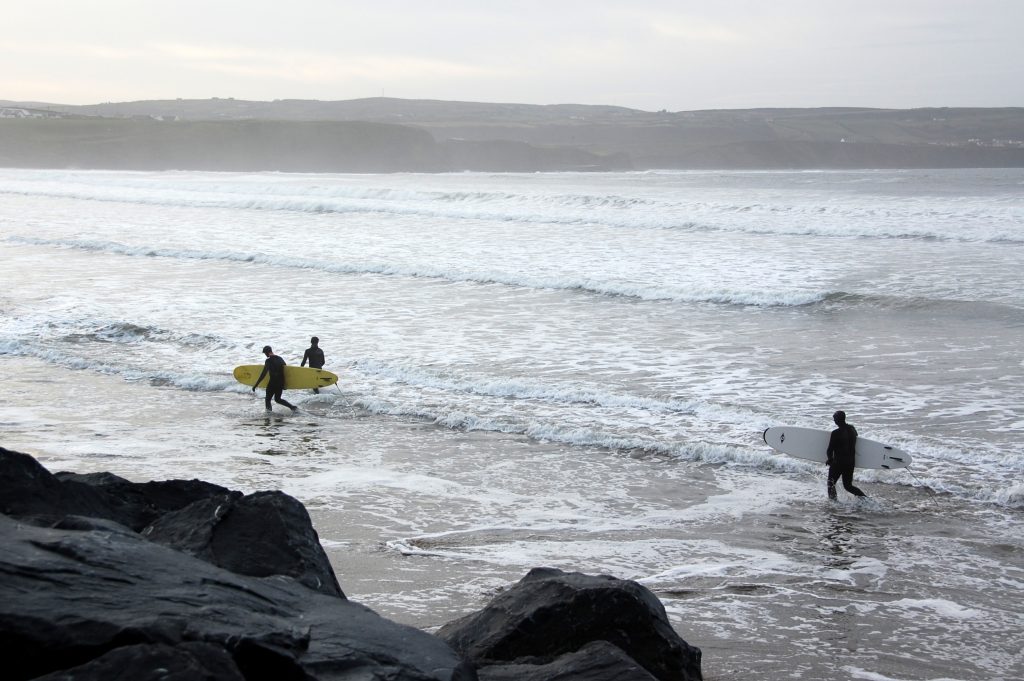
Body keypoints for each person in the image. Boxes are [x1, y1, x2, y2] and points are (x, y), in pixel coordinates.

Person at [826, 410, 866, 500]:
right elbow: (856, 436)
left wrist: (829, 459)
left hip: (839, 462)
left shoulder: (835, 433)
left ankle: (833, 503)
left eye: (834, 419)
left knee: (831, 484)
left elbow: (829, 450)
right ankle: (865, 499)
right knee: (848, 486)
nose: (834, 421)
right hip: (850, 462)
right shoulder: (852, 429)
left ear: (838, 419)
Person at [253, 345, 297, 413]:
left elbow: (263, 374)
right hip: (280, 383)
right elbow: (285, 371)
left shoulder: (268, 361)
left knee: (267, 400)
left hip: (272, 383)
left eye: (265, 353)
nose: (265, 355)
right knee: (278, 399)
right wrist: (284, 384)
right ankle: (292, 407)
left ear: (267, 352)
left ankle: (268, 413)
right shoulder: (280, 359)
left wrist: (256, 384)